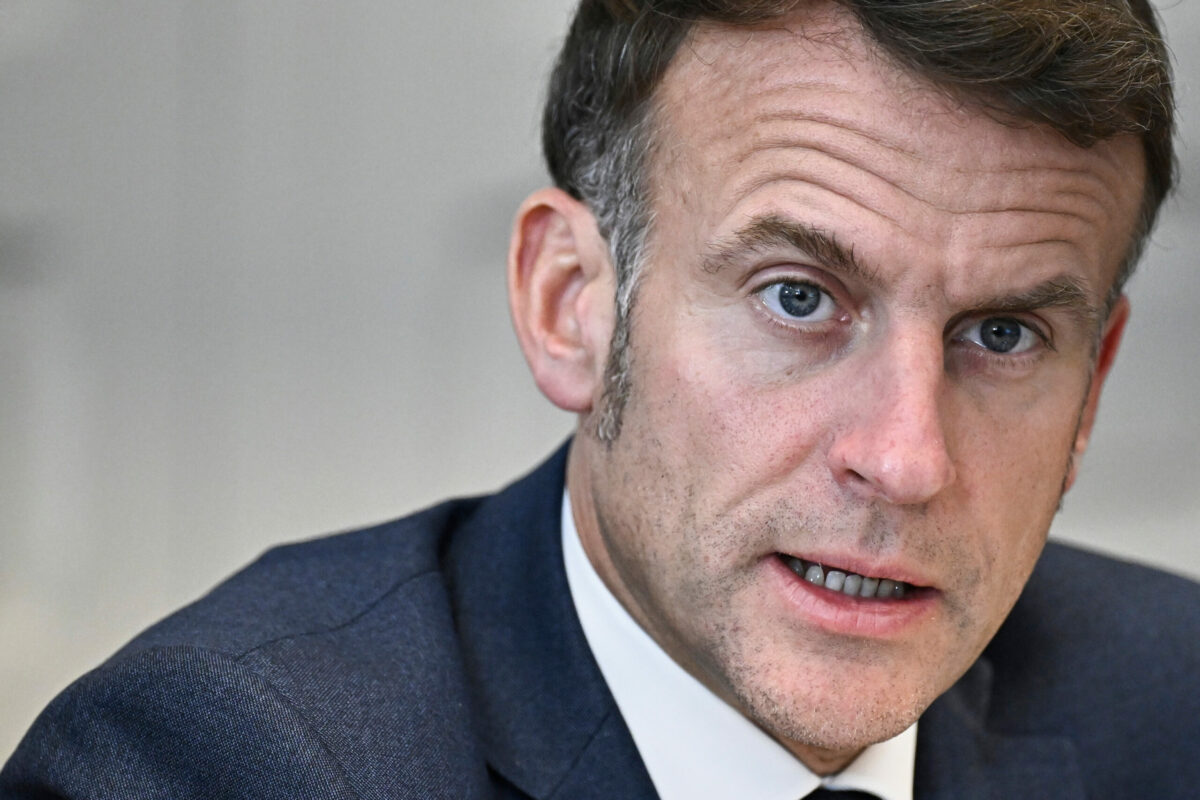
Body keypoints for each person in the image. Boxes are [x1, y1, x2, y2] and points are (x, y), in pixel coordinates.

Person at [4, 1, 1198, 798]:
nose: (905, 457)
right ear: (570, 301)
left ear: (1092, 386)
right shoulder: (230, 762)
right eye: (798, 297)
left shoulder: (1178, 702)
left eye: (1004, 334)